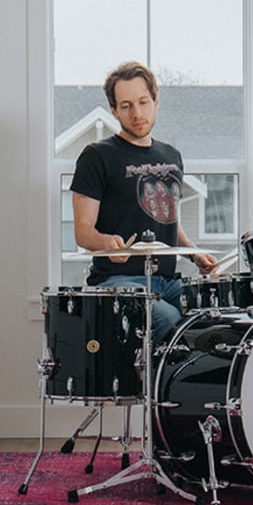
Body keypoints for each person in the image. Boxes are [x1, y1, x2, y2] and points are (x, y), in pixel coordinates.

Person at [71, 61, 217, 338]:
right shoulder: (96, 156)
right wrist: (106, 243)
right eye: (126, 106)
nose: (137, 113)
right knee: (168, 318)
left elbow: (168, 219)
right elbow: (83, 230)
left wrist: (193, 252)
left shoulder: (171, 156)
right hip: (119, 281)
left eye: (143, 102)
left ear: (155, 102)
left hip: (169, 282)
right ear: (114, 111)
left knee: (215, 314)